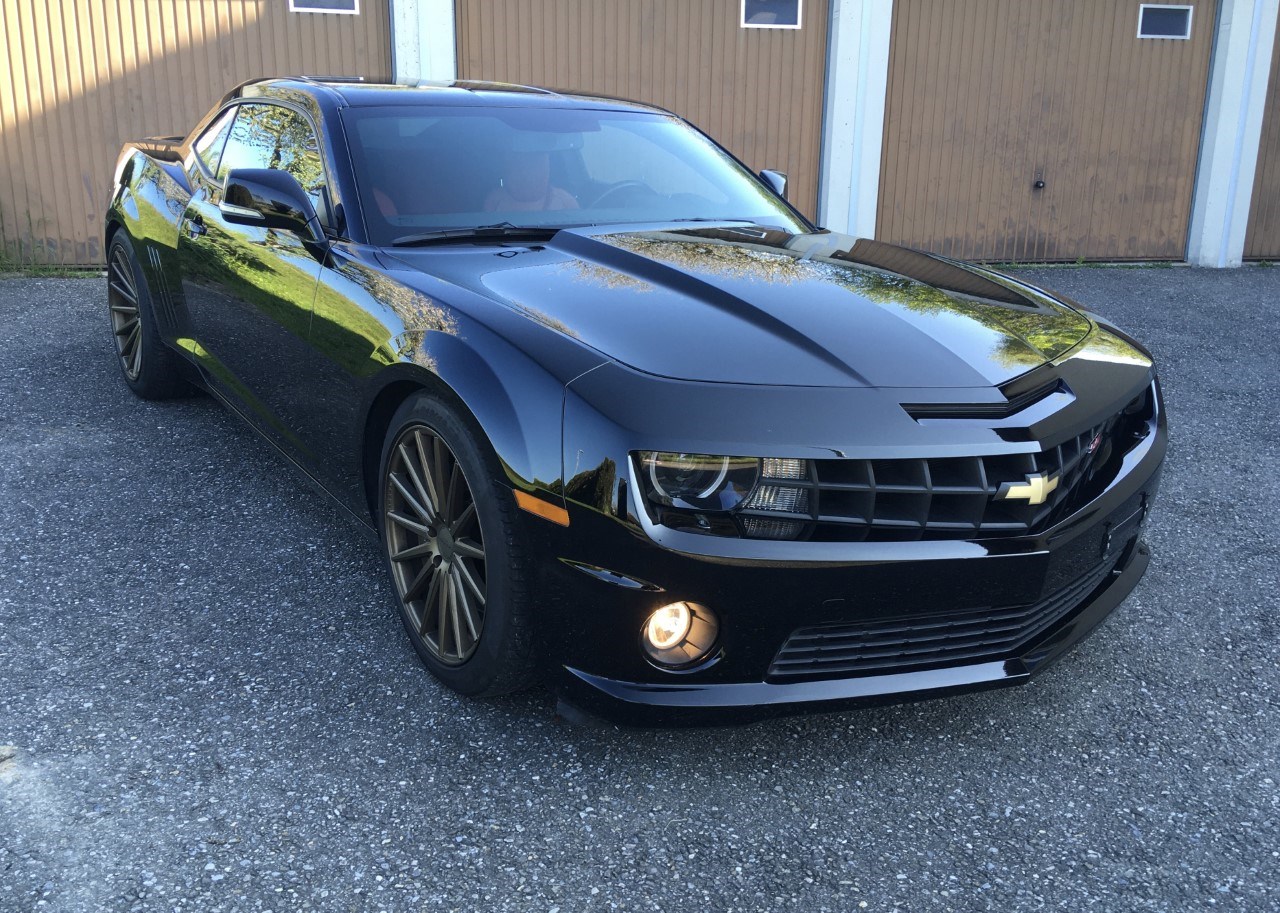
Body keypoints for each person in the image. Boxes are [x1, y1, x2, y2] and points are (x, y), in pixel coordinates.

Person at [484, 150, 578, 212]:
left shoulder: (566, 201)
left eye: (539, 165)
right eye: (521, 166)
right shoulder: (495, 201)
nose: (527, 173)